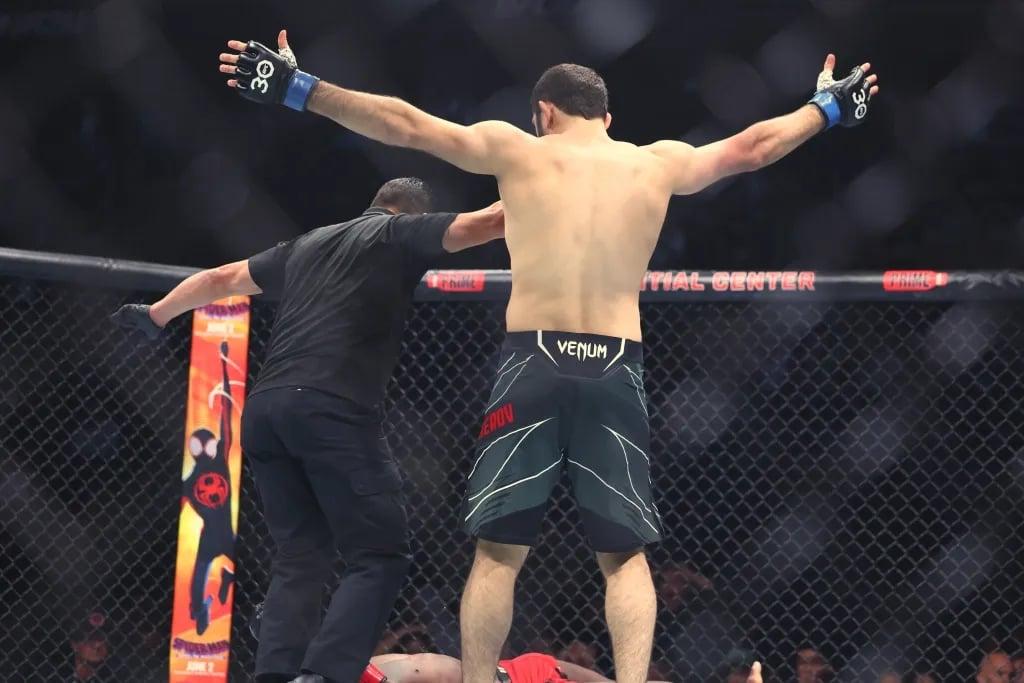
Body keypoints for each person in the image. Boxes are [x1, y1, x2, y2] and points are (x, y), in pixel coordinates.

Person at [219, 30, 879, 683]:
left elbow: (405, 124)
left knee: (499, 553)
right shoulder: (654, 162)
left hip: (533, 363)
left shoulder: (521, 152)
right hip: (616, 363)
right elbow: (756, 146)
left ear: (544, 113)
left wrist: (298, 88)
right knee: (624, 556)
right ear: (608, 118)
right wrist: (827, 108)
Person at [113, 178, 504, 683]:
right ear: (408, 214)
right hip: (332, 409)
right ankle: (323, 674)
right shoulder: (398, 234)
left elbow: (221, 277)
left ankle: (274, 675)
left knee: (301, 554)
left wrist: (157, 314)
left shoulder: (307, 243)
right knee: (381, 554)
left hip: (266, 412)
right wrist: (558, 178)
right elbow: (491, 221)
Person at [180, 341, 238, 635]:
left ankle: (227, 582)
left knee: (252, 573)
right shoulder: (190, 482)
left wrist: (224, 366)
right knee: (193, 600)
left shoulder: (220, 464)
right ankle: (202, 609)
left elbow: (225, 413)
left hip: (226, 534)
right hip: (212, 537)